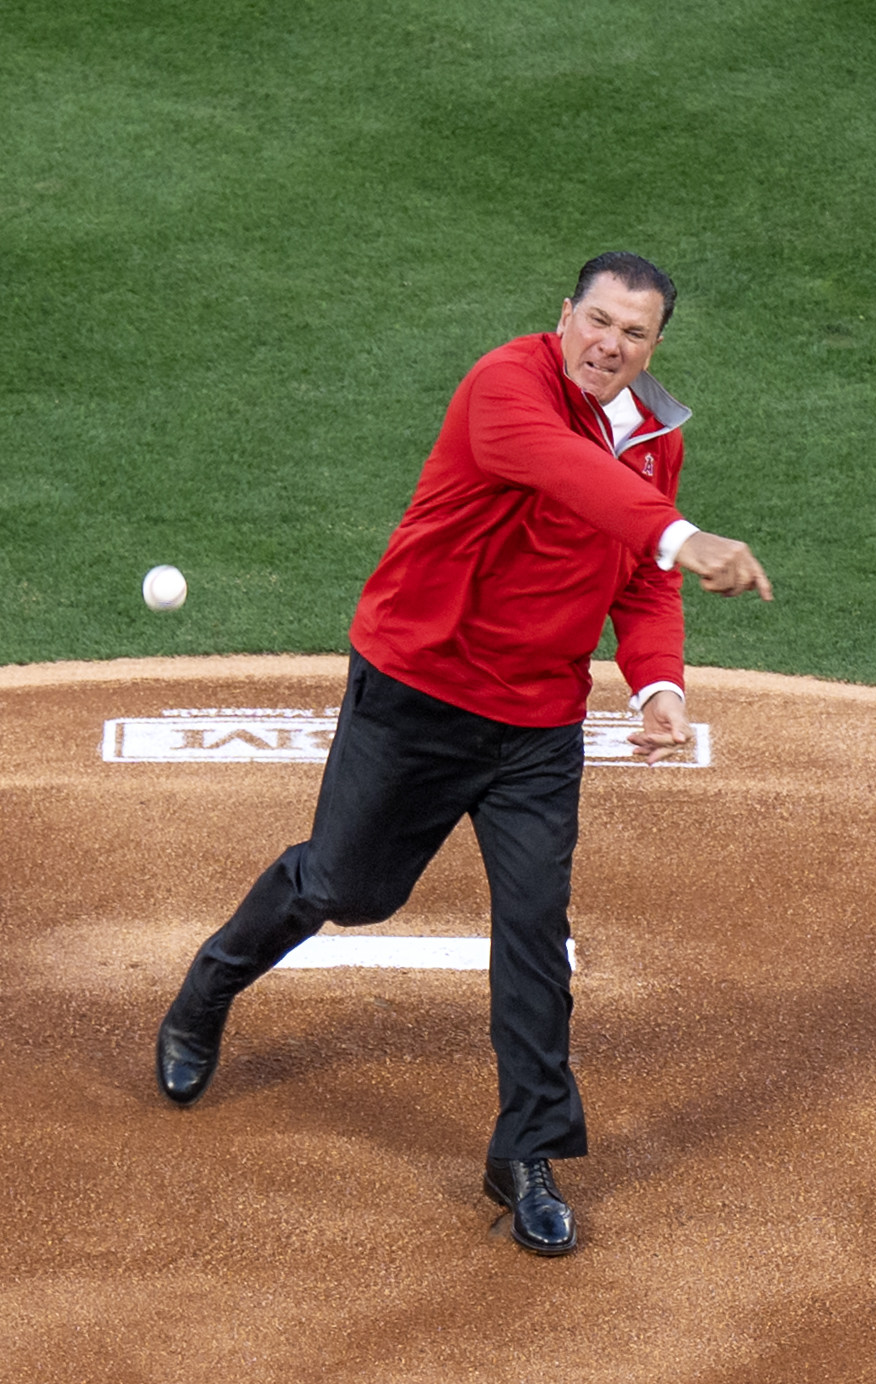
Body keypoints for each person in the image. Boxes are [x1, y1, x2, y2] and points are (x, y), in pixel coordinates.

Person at [152, 250, 774, 1256]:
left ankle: (525, 1151)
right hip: (418, 696)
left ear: (655, 345)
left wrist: (658, 684)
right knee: (349, 886)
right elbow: (576, 481)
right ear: (564, 314)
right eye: (600, 321)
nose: (612, 344)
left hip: (536, 725)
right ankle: (208, 990)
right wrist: (682, 538)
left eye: (636, 333)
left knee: (536, 929)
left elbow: (637, 584)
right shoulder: (506, 387)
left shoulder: (655, 437)